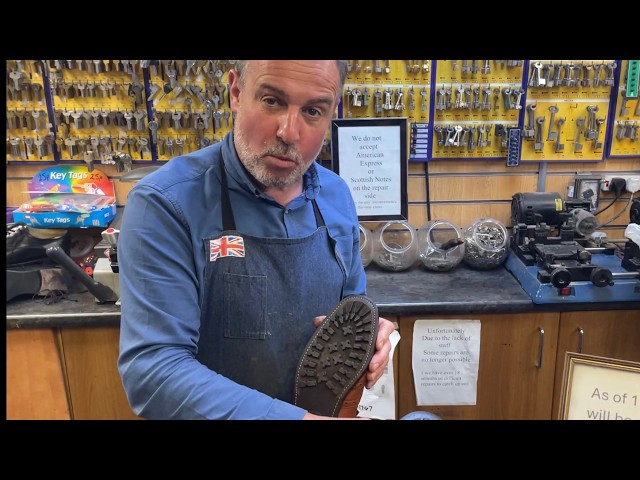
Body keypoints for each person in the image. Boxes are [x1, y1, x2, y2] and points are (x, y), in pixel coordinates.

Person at [117, 60, 396, 420]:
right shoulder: (165, 204)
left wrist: (371, 333)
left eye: (313, 110)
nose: (289, 132)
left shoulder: (336, 195)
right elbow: (154, 372)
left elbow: (350, 307)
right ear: (235, 92)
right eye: (272, 101)